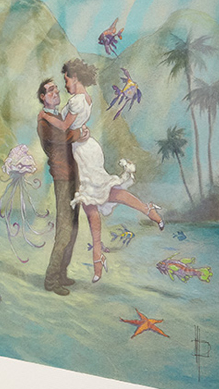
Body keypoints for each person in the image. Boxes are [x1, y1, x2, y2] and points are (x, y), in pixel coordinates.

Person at [38, 59, 164, 283]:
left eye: (66, 79)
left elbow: (65, 128)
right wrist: (75, 130)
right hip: (85, 149)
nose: (64, 85)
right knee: (92, 203)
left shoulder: (76, 100)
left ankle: (144, 211)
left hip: (83, 153)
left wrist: (46, 116)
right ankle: (98, 256)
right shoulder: (84, 98)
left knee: (102, 195)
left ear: (75, 77)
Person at [35, 78, 88, 296]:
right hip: (62, 176)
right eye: (50, 91)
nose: (55, 92)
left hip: (72, 175)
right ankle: (51, 279)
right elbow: (61, 138)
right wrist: (79, 134)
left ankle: (62, 273)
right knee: (65, 230)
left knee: (73, 227)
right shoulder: (44, 121)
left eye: (56, 89)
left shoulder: (57, 116)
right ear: (42, 97)